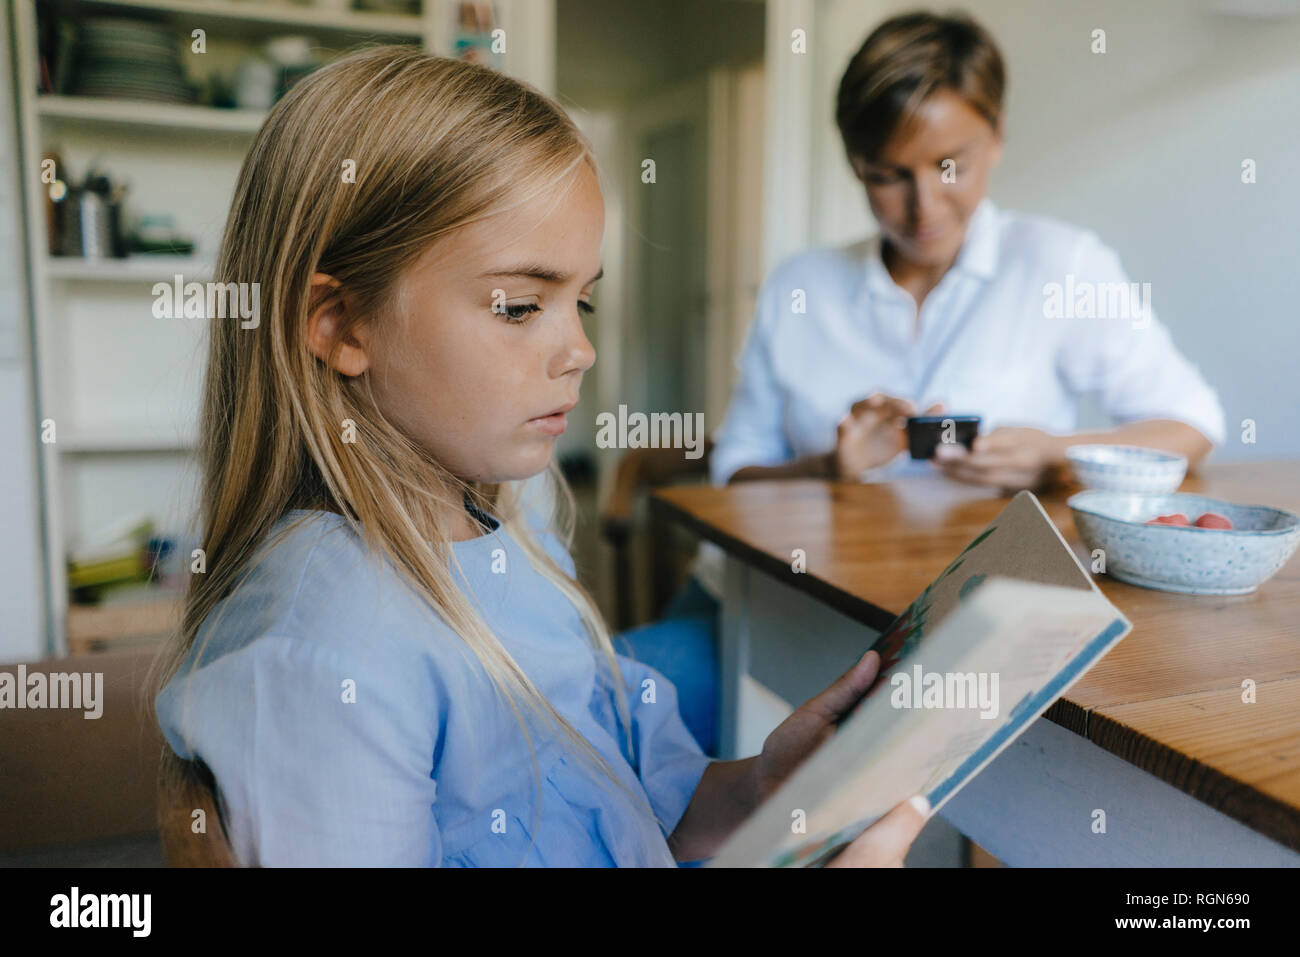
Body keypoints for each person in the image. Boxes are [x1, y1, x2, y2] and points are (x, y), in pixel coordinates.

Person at [149, 46, 927, 867]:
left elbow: (640, 805)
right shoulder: (327, 660)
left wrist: (764, 788)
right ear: (342, 322)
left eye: (581, 300)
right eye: (521, 306)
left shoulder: (512, 536)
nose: (582, 349)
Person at [624, 10, 1225, 759]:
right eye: (888, 175)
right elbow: (734, 472)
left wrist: (1054, 452)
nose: (923, 206)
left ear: (996, 137)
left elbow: (1191, 423)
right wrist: (827, 469)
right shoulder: (802, 285)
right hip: (770, 602)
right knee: (608, 722)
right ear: (855, 163)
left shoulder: (1059, 265)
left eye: (950, 167)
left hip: (971, 625)